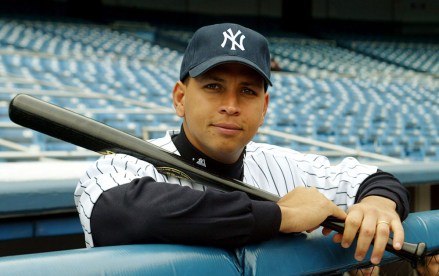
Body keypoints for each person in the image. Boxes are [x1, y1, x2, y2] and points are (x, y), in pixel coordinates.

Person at [74, 23, 410, 266]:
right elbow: (125, 214)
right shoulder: (121, 166)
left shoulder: (286, 166)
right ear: (180, 98)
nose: (231, 104)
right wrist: (281, 216)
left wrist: (379, 205)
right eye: (213, 86)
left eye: (248, 91)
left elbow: (375, 180)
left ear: (263, 108)